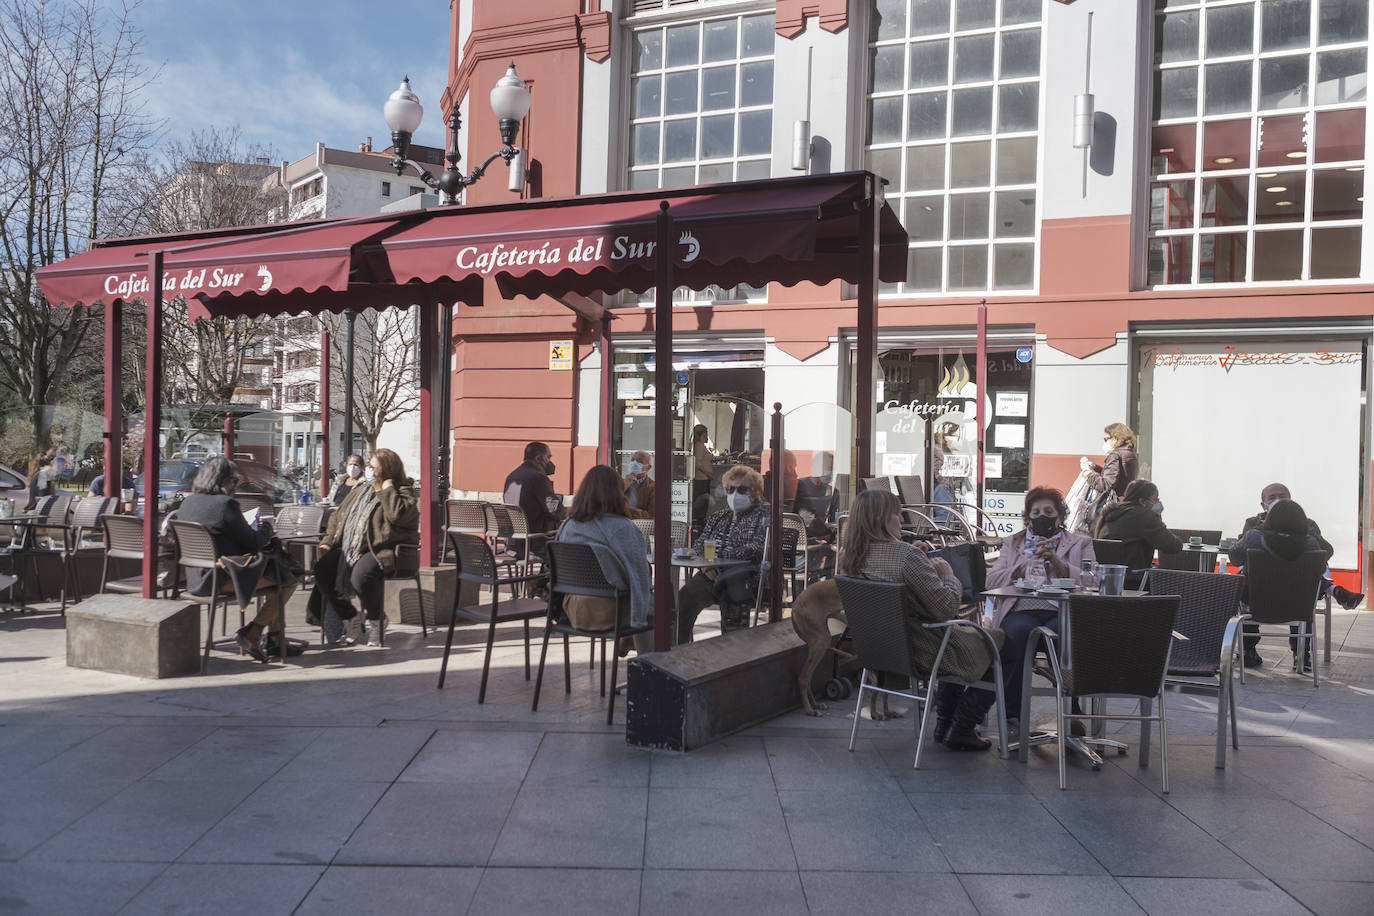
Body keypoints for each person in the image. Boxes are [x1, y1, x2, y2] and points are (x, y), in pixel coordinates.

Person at [839, 489, 1006, 750]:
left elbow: (895, 574)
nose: (902, 520)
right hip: (924, 650)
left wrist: (918, 558)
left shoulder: (850, 558)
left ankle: (945, 724)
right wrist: (948, 576)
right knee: (1000, 644)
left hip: (880, 653)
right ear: (883, 519)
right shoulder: (907, 557)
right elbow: (946, 609)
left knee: (970, 642)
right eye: (896, 514)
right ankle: (961, 726)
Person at [986, 486, 1096, 731]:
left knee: (1063, 637)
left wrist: (1059, 562)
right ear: (1028, 517)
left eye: (1048, 511)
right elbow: (991, 581)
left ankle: (1071, 710)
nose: (1042, 516)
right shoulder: (1013, 543)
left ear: (1059, 515)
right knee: (1016, 635)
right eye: (1036, 512)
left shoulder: (1080, 543)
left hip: (1063, 610)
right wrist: (1021, 568)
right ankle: (1012, 713)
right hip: (1022, 608)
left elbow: (1094, 580)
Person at [175, 456, 298, 662]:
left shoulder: (188, 502)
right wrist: (266, 528)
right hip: (220, 578)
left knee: (280, 573)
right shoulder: (225, 504)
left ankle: (275, 639)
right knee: (289, 579)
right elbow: (252, 543)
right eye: (233, 481)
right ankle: (253, 632)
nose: (235, 485)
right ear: (222, 480)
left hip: (195, 577)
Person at [310, 448, 419, 647]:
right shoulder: (361, 489)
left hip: (382, 549)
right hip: (352, 546)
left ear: (386, 470)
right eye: (368, 466)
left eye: (373, 467)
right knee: (322, 569)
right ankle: (350, 617)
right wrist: (327, 541)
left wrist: (387, 490)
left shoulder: (403, 491)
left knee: (361, 576)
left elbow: (398, 516)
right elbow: (338, 515)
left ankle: (377, 622)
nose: (368, 470)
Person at [556, 465, 653, 654]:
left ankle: (629, 644)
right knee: (664, 604)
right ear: (617, 493)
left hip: (573, 611)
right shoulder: (623, 528)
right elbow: (639, 577)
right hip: (610, 613)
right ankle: (654, 665)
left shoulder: (568, 526)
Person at [1228, 498, 1333, 671]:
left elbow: (1235, 558)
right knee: (1303, 595)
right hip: (1298, 608)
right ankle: (1301, 655)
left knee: (1240, 585)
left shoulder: (1253, 537)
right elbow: (1319, 571)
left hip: (1256, 605)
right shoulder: (1311, 543)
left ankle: (1247, 650)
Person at [677, 464, 769, 643]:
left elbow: (758, 547)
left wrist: (718, 562)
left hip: (745, 577)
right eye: (730, 489)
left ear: (755, 491)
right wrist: (706, 567)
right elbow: (698, 545)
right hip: (711, 574)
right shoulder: (719, 516)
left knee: (731, 594)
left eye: (742, 489)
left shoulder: (764, 514)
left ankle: (731, 652)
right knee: (685, 597)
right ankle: (678, 648)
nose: (735, 494)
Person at [1239, 482, 1361, 612]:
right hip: (1260, 588)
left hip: (1298, 589)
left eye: (1282, 496)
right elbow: (1241, 551)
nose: (1278, 500)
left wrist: (1301, 527)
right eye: (1272, 498)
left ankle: (1302, 628)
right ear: (1263, 505)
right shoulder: (1253, 523)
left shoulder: (1307, 524)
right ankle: (1332, 589)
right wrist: (1266, 525)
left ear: (1290, 500)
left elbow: (1325, 552)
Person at [1092, 480, 1182, 586]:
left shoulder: (1110, 513)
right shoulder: (1146, 516)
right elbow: (1172, 545)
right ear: (1142, 501)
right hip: (1136, 581)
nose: (1158, 503)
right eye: (1155, 500)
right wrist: (1157, 516)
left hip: (1106, 581)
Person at [504, 442, 559, 548]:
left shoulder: (511, 476)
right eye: (548, 457)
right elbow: (554, 509)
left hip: (514, 541)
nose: (550, 462)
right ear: (538, 458)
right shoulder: (538, 478)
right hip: (535, 540)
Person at [1080, 422, 1139, 500]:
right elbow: (1118, 477)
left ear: (1115, 439)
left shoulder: (1116, 455)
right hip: (1126, 501)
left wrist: (1088, 474)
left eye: (1106, 439)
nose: (1105, 442)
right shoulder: (1129, 453)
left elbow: (1105, 485)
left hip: (1114, 505)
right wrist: (1096, 468)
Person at [932, 420, 970, 521]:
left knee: (949, 516)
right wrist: (960, 473)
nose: (956, 439)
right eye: (953, 436)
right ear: (944, 435)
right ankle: (936, 534)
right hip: (941, 488)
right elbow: (938, 474)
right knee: (945, 517)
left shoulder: (946, 450)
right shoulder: (938, 450)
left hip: (944, 487)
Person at [622, 450, 656, 520]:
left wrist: (626, 511)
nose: (634, 464)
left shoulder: (653, 487)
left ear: (648, 467)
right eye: (632, 460)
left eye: (639, 461)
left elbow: (651, 515)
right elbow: (608, 506)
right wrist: (623, 487)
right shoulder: (620, 483)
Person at [691, 424, 713, 529]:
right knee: (702, 501)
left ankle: (700, 519)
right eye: (706, 434)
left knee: (704, 501)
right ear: (703, 434)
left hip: (704, 478)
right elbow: (698, 463)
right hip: (701, 478)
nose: (707, 437)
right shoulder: (699, 446)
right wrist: (707, 473)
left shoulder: (701, 445)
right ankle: (699, 521)